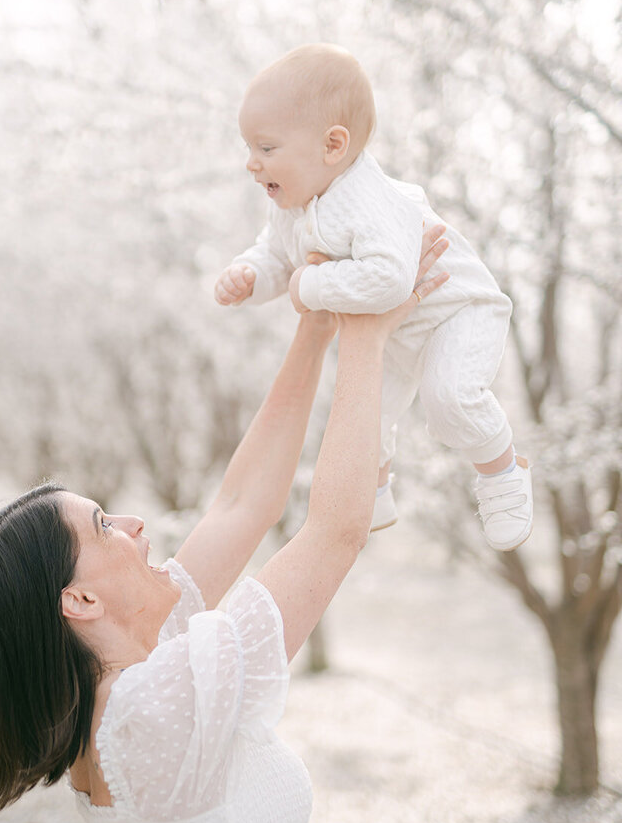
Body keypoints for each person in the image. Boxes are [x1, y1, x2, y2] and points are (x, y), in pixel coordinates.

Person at [0, 228, 448, 823]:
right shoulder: (157, 706)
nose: (138, 523)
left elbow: (243, 502)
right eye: (106, 527)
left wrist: (315, 328)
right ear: (78, 602)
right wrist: (369, 332)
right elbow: (334, 533)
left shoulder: (144, 666)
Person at [215, 43, 533, 552]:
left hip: (454, 310)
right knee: (363, 412)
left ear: (333, 146)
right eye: (249, 148)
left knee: (448, 399)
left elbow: (389, 279)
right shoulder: (292, 205)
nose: (253, 164)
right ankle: (376, 485)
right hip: (396, 330)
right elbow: (277, 254)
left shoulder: (371, 200)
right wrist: (251, 275)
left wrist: (308, 287)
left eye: (267, 148)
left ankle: (501, 469)